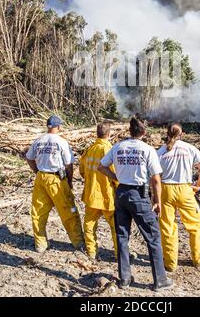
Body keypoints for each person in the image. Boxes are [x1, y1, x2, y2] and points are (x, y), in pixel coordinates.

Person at [98, 116, 174, 292]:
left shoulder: (118, 147)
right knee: (153, 237)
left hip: (121, 193)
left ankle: (124, 279)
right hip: (139, 195)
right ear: (144, 132)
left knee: (122, 237)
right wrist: (157, 200)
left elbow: (101, 167)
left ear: (129, 131)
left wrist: (116, 177)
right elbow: (156, 179)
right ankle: (160, 280)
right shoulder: (147, 150)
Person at [157, 123, 200, 272]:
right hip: (185, 190)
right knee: (195, 224)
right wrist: (198, 185)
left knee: (167, 227)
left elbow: (155, 176)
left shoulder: (161, 151)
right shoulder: (189, 148)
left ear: (167, 133)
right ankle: (199, 259)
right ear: (182, 134)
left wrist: (154, 196)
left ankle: (170, 263)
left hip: (165, 189)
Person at [26, 115, 84, 253]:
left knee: (38, 212)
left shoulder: (39, 141)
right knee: (69, 210)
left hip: (41, 178)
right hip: (56, 180)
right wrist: (69, 181)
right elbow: (69, 164)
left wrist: (37, 172)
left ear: (48, 126)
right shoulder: (61, 142)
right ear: (58, 127)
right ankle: (78, 243)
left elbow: (29, 158)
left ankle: (40, 244)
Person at [79, 122, 117, 260]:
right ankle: (120, 254)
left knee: (89, 224)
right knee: (115, 226)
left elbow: (82, 171)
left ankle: (91, 251)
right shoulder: (109, 150)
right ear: (109, 134)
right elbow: (115, 172)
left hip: (91, 195)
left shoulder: (89, 149)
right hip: (106, 195)